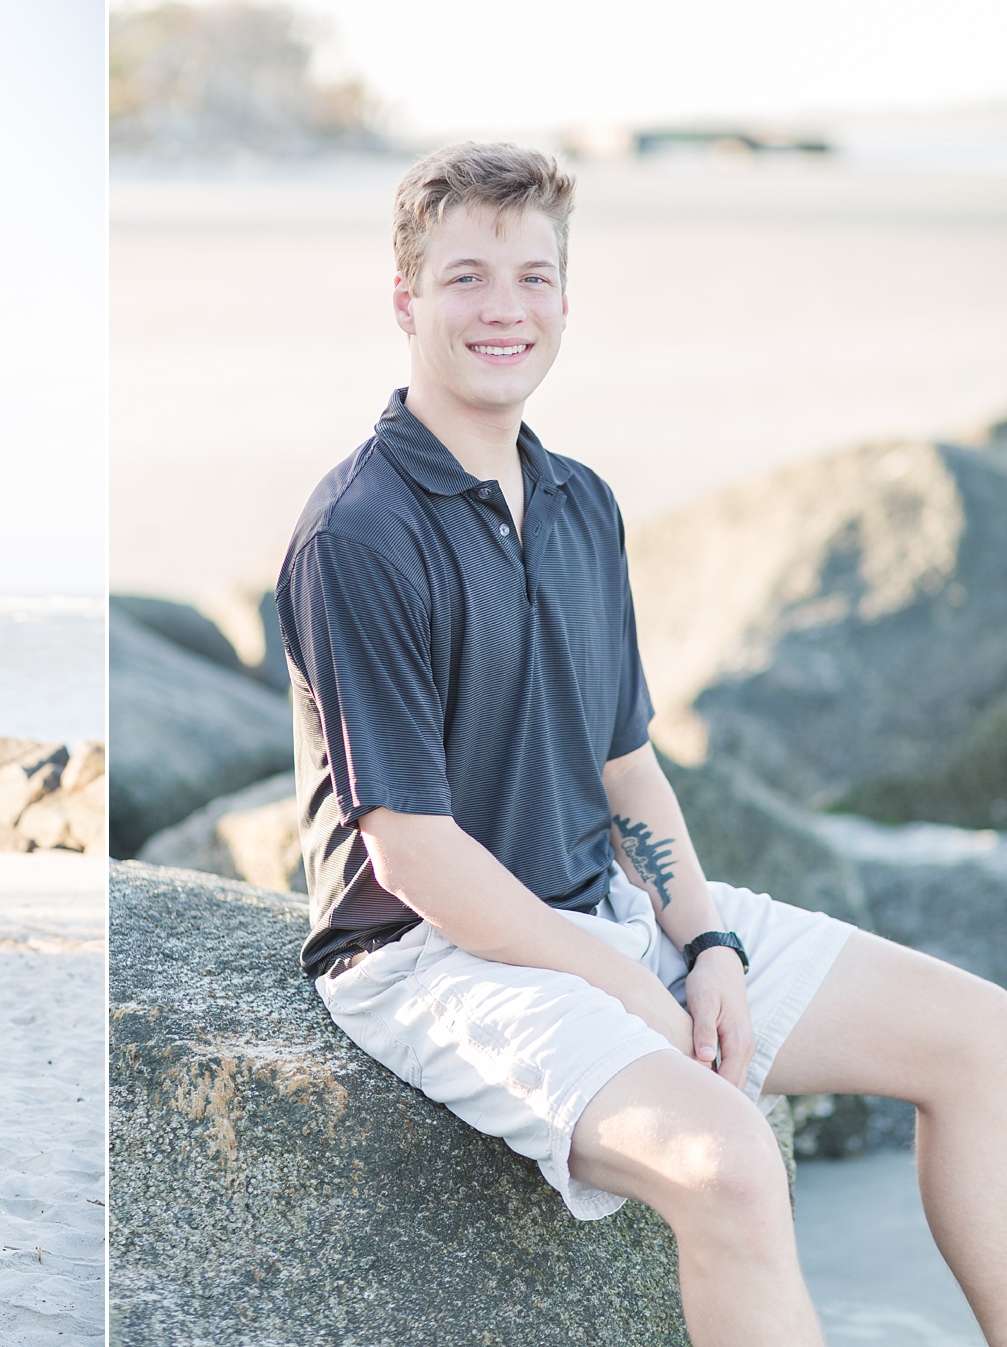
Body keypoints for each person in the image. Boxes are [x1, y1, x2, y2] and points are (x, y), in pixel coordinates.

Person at [273, 142, 1007, 1346]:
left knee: (982, 1038)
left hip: (603, 906)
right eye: (465, 278)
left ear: (567, 297)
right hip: (434, 959)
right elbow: (412, 855)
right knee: (728, 1164)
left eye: (534, 276)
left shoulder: (579, 503)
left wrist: (705, 942)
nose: (504, 309)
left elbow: (625, 767)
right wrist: (625, 988)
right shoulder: (358, 532)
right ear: (404, 301)